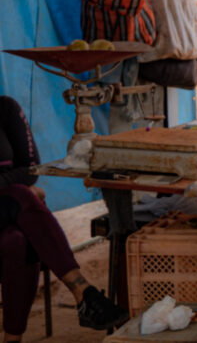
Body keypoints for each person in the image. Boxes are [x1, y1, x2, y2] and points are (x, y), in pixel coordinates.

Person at [0, 96, 129, 340]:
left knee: (16, 241)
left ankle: (12, 338)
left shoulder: (5, 108)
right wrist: (17, 189)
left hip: (9, 211)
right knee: (20, 195)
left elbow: (30, 168)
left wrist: (16, 189)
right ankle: (83, 291)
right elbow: (22, 182)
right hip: (14, 200)